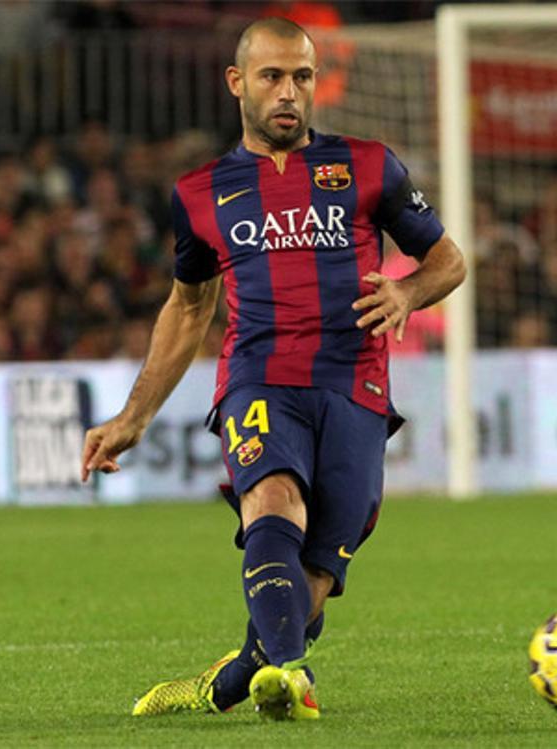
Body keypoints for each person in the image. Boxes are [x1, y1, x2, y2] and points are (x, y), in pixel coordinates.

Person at [78, 18, 465, 721]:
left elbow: (448, 259)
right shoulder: (199, 192)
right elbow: (189, 307)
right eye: (272, 76)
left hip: (356, 386)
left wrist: (408, 290)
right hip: (259, 378)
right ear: (237, 83)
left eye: (302, 77)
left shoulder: (371, 166)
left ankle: (235, 678)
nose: (289, 92)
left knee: (315, 574)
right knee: (272, 500)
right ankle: (292, 671)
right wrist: (132, 417)